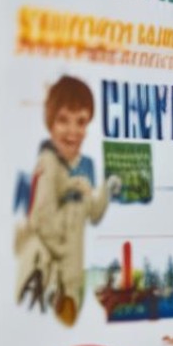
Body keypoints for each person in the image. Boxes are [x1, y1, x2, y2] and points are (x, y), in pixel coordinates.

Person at [14, 75, 120, 325]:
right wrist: (63, 256)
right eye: (63, 120)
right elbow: (42, 220)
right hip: (50, 275)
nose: (73, 131)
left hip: (74, 277)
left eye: (81, 122)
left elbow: (92, 213)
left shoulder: (85, 166)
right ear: (50, 123)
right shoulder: (48, 164)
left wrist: (106, 189)